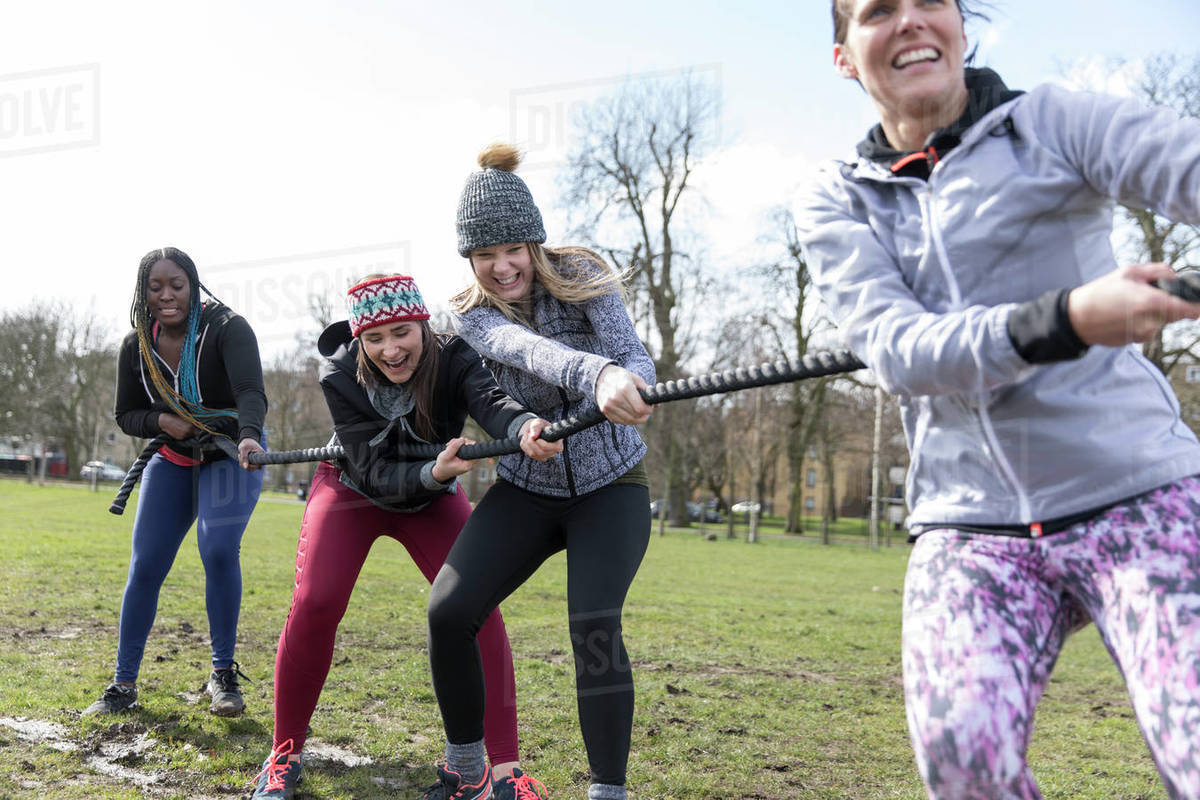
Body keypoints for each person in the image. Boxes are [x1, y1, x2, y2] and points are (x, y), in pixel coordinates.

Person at [796, 2, 1200, 797]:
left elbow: (1182, 159)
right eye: (880, 11)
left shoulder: (1050, 123)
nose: (911, 21)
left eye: (931, 3)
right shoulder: (838, 199)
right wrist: (1070, 318)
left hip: (1137, 490)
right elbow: (903, 354)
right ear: (845, 58)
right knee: (963, 757)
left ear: (960, 25)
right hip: (969, 524)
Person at [249, 274, 562, 800]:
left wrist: (525, 424)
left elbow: (490, 402)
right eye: (375, 338)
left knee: (474, 607)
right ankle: (284, 755)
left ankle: (507, 772)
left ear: (422, 325)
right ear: (359, 341)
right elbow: (373, 471)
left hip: (432, 499)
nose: (391, 350)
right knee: (317, 600)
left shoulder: (455, 357)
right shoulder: (339, 374)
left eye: (402, 333)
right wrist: (434, 474)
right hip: (353, 488)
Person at [421, 144, 655, 800]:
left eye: (511, 250)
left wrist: (629, 382)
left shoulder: (584, 272)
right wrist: (589, 378)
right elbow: (519, 350)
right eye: (483, 256)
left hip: (611, 487)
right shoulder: (469, 313)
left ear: (535, 242)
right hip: (527, 488)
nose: (500, 268)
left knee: (593, 625)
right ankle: (468, 765)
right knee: (448, 610)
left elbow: (634, 354)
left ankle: (608, 789)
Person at [84, 246, 268, 718]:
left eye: (177, 285)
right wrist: (165, 422)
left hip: (230, 453)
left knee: (219, 549)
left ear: (193, 286)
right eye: (155, 286)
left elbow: (250, 392)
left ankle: (222, 674)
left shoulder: (227, 328)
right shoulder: (135, 345)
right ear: (143, 293)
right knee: (145, 566)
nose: (167, 295)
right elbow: (126, 414)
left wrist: (248, 437)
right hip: (173, 457)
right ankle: (123, 685)